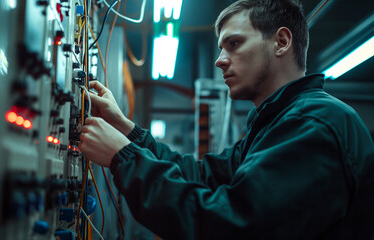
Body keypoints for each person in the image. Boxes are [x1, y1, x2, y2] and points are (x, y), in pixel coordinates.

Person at [78, 0, 374, 239]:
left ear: (281, 42)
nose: (219, 59)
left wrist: (123, 158)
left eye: (233, 43)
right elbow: (200, 175)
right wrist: (127, 131)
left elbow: (227, 225)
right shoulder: (277, 123)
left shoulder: (312, 126)